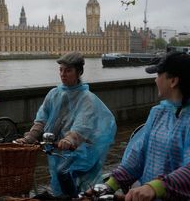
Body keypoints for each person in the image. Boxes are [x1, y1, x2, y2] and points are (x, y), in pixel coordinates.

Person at [97, 52, 190, 200]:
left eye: (158, 75)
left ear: (173, 81)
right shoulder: (159, 112)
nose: (155, 80)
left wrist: (155, 187)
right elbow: (138, 154)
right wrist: (110, 184)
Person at [15, 51, 117, 199]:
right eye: (61, 70)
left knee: (63, 172)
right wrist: (30, 137)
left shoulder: (87, 99)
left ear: (79, 72)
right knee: (58, 181)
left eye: (68, 70)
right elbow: (42, 118)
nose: (63, 74)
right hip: (58, 147)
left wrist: (70, 139)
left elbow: (83, 125)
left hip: (81, 148)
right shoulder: (54, 94)